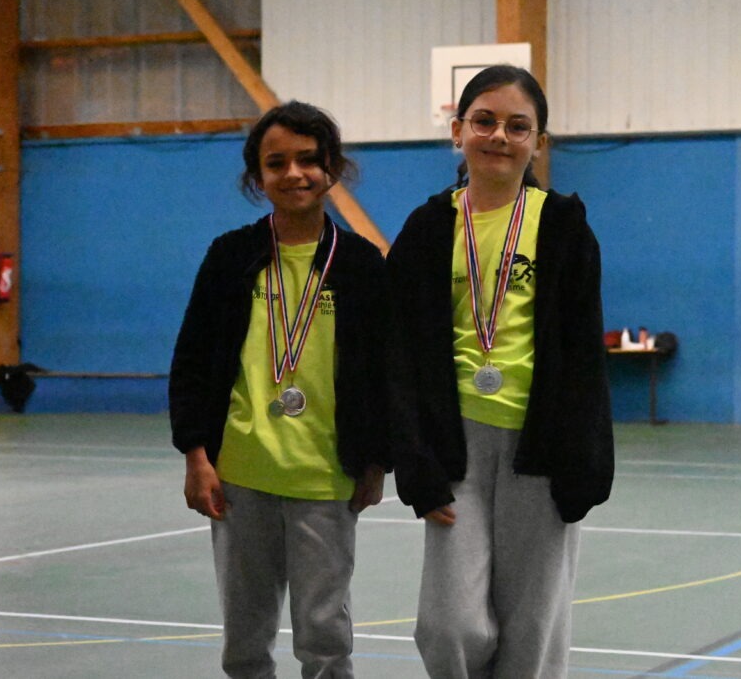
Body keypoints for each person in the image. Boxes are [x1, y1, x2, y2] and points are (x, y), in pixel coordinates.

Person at [386, 65, 614, 678]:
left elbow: (583, 352)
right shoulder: (427, 228)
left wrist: (586, 459)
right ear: (457, 130)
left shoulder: (563, 225)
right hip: (453, 446)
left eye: (518, 126)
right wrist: (414, 460)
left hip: (541, 448)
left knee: (533, 627)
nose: (499, 136)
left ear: (538, 142)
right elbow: (399, 353)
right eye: (484, 121)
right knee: (449, 625)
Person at [169, 100, 390, 679]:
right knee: (244, 640)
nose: (294, 173)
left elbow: (382, 373)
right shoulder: (230, 257)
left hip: (326, 477)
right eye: (276, 163)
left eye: (308, 159)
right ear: (257, 175)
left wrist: (375, 460)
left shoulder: (361, 264)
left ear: (331, 168)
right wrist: (196, 454)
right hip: (240, 475)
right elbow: (192, 361)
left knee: (325, 638)